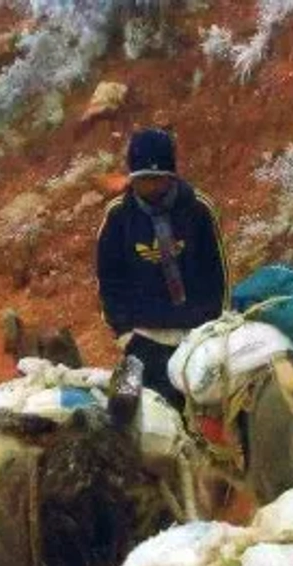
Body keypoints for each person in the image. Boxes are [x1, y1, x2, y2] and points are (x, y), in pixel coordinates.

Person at [95, 127, 229, 410]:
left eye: (158, 179)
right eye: (143, 179)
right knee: (135, 413)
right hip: (144, 336)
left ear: (171, 177)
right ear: (132, 178)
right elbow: (109, 279)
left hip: (197, 332)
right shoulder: (118, 216)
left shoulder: (198, 209)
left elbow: (219, 272)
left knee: (210, 409)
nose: (151, 186)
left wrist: (215, 323)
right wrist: (123, 333)